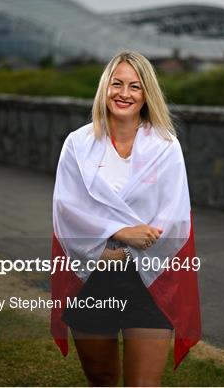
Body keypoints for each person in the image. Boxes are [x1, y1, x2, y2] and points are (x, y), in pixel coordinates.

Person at [50, 49, 201, 386]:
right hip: (92, 274)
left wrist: (127, 247)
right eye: (116, 84)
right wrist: (121, 234)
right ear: (104, 88)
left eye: (134, 86)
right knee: (102, 379)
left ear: (147, 93)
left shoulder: (165, 145)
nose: (124, 93)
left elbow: (174, 215)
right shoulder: (78, 144)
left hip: (150, 277)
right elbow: (67, 208)